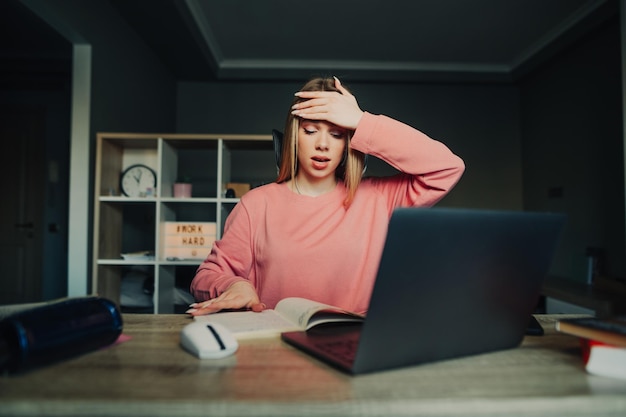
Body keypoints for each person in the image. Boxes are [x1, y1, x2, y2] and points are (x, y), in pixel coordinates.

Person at [187, 76, 464, 316]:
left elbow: (447, 167)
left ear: (348, 142)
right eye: (310, 131)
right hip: (277, 351)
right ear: (295, 135)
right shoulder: (257, 204)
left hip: (353, 348)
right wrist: (235, 285)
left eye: (336, 133)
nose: (322, 144)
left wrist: (361, 121)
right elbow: (206, 276)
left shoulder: (378, 198)